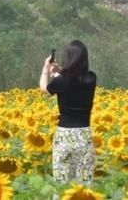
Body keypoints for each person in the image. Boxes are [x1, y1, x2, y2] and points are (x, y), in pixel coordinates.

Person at [39, 40, 97, 186]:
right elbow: (74, 81)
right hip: (84, 135)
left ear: (67, 58)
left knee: (61, 182)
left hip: (64, 136)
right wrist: (60, 73)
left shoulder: (61, 81)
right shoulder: (91, 78)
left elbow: (44, 88)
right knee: (84, 184)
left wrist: (46, 69)